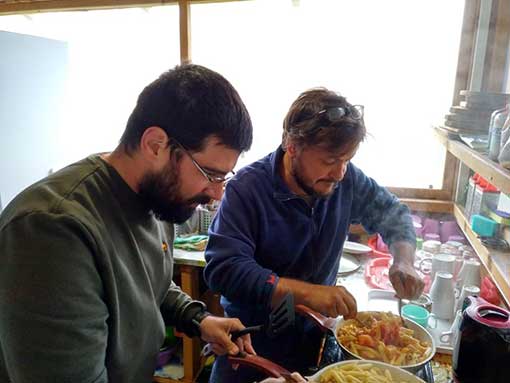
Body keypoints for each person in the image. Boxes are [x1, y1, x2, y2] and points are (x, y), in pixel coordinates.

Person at [0, 64, 255, 383]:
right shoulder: (52, 230)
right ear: (155, 145)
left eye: (223, 178)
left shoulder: (156, 199)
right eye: (210, 175)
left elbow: (150, 284)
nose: (217, 194)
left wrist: (199, 319)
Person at [204, 88, 425, 382]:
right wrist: (309, 293)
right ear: (292, 145)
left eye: (347, 159)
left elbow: (394, 213)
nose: (340, 173)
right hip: (248, 347)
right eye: (330, 160)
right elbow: (224, 270)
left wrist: (404, 261)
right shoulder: (246, 190)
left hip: (312, 343)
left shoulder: (345, 181)